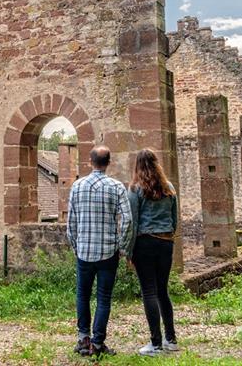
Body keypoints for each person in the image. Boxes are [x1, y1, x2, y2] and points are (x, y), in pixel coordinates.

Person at [66, 145, 132, 357]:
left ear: (90, 161)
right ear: (108, 162)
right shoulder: (117, 187)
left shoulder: (77, 186)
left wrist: (76, 246)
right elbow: (128, 220)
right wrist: (122, 246)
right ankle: (98, 343)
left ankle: (83, 339)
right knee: (104, 298)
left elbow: (71, 222)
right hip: (108, 252)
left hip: (84, 251)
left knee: (82, 295)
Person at [124, 148, 179, 357]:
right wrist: (168, 237)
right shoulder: (169, 187)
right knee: (163, 291)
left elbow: (133, 222)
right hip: (166, 242)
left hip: (144, 243)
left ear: (137, 166)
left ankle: (155, 343)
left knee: (149, 291)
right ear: (157, 164)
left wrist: (128, 251)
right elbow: (174, 219)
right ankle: (171, 339)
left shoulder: (135, 189)